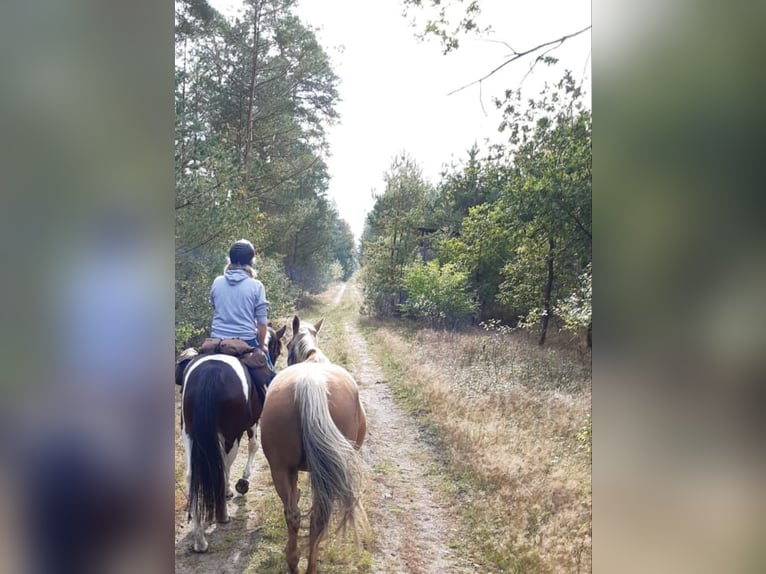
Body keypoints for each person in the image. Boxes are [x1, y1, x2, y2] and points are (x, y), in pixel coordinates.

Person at [210, 239, 275, 380]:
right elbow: (262, 323)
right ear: (251, 262)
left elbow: (215, 306)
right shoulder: (256, 286)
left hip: (216, 341)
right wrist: (262, 346)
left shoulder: (217, 281)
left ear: (230, 260)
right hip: (246, 341)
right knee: (271, 378)